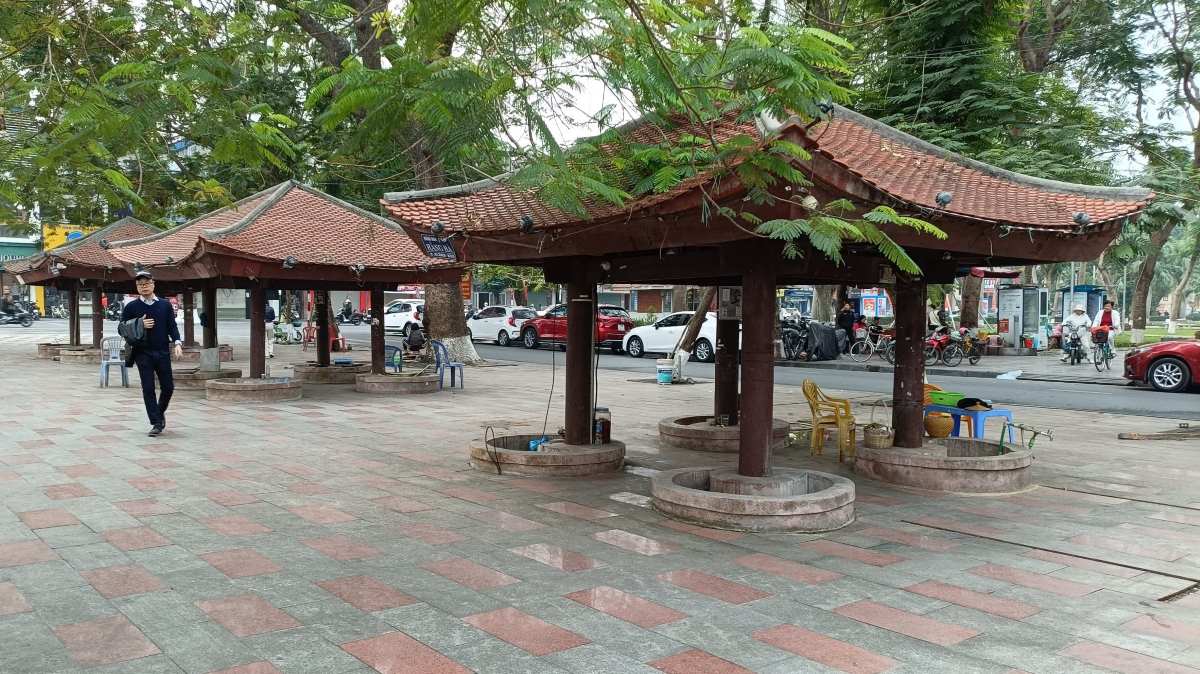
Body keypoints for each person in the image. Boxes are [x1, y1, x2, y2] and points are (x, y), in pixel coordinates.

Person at [120, 270, 182, 436]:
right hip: (142, 352)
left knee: (168, 387)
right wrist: (140, 323)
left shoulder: (164, 304)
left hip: (162, 351)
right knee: (148, 388)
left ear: (153, 284)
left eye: (146, 283)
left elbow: (172, 326)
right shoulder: (131, 306)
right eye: (140, 284)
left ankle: (159, 413)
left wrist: (177, 342)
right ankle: (156, 423)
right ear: (137, 287)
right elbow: (121, 328)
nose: (143, 287)